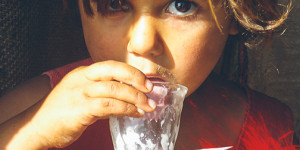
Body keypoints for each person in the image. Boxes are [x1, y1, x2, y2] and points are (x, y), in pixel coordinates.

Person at [0, 0, 297, 149]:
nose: (142, 43)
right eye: (115, 4)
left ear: (236, 12)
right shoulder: (32, 112)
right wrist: (30, 136)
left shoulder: (270, 129)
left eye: (181, 6)